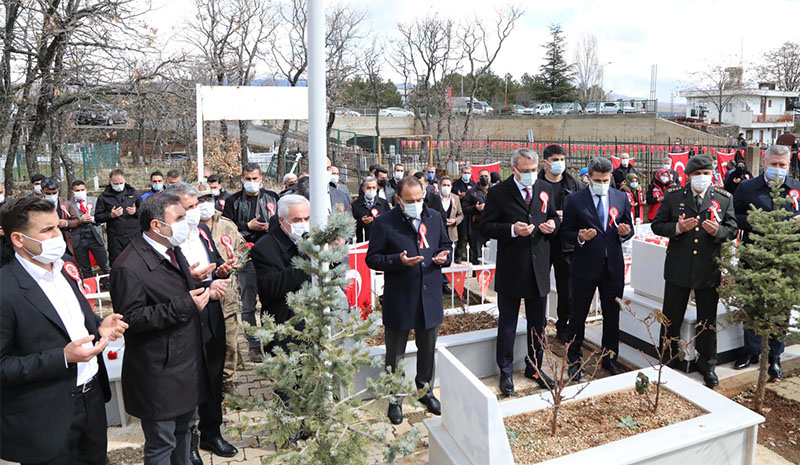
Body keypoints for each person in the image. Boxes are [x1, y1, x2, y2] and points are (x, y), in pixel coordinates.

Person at [1, 196, 127, 465]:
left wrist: (98, 325)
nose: (57, 236)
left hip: (92, 400)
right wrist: (62, 357)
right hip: (45, 416)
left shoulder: (64, 268)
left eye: (58, 227)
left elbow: (73, 321)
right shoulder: (5, 289)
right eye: (47, 230)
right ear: (18, 239)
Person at [110, 193, 228, 465]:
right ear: (156, 225)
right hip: (158, 372)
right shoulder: (128, 266)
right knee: (162, 444)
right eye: (179, 218)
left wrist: (205, 289)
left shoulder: (171, 249)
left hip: (185, 363)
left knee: (185, 432)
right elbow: (131, 319)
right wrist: (185, 304)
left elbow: (173, 291)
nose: (187, 223)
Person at [366, 177, 452, 424]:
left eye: (419, 199)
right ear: (399, 200)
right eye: (410, 201)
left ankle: (425, 390)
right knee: (395, 353)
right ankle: (395, 398)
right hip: (401, 297)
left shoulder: (434, 217)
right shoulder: (384, 223)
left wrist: (444, 256)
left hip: (429, 296)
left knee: (428, 348)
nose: (416, 204)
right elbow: (372, 258)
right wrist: (398, 261)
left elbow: (446, 245)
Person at [163, 183, 237, 462]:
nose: (195, 212)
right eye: (188, 207)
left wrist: (221, 270)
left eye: (196, 205)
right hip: (185, 314)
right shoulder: (169, 240)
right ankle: (189, 441)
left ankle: (212, 432)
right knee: (191, 380)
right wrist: (196, 282)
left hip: (212, 311)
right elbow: (165, 283)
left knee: (214, 374)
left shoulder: (202, 231)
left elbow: (214, 262)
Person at [650, 154, 737, 389]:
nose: (702, 178)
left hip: (708, 268)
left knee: (707, 321)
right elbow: (657, 225)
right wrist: (677, 228)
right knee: (671, 319)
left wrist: (718, 231)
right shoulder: (674, 196)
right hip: (679, 267)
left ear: (712, 174)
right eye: (697, 174)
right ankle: (668, 361)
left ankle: (707, 365)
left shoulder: (723, 198)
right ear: (688, 175)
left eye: (706, 173)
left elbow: (732, 228)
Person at [481, 148, 560, 395]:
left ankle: (534, 366)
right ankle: (505, 370)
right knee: (508, 323)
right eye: (525, 170)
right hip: (512, 267)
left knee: (538, 323)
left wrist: (553, 224)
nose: (530, 174)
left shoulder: (544, 188)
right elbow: (485, 226)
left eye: (534, 170)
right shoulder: (498, 193)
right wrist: (512, 230)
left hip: (539, 266)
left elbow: (553, 215)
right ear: (513, 169)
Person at [561, 157, 633, 380]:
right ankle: (574, 360)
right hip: (585, 266)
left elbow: (629, 227)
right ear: (589, 179)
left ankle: (610, 358)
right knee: (578, 314)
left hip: (613, 266)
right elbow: (565, 232)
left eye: (606, 180)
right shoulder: (575, 200)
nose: (602, 184)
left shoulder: (621, 198)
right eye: (598, 180)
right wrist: (580, 237)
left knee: (612, 315)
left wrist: (625, 233)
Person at [733, 145, 800, 379]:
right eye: (774, 164)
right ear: (765, 163)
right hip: (754, 255)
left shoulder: (797, 189)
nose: (778, 169)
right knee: (752, 305)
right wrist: (748, 221)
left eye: (782, 165)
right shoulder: (747, 188)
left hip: (786, 257)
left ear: (789, 165)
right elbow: (732, 217)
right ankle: (751, 352)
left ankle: (775, 356)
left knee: (781, 308)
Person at [222, 163, 279, 362]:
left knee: (271, 299)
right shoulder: (233, 201)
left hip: (270, 256)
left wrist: (271, 227)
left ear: (261, 179)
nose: (252, 182)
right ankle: (253, 345)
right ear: (242, 179)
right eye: (248, 179)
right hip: (246, 257)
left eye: (255, 178)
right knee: (248, 303)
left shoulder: (272, 197)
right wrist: (247, 226)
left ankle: (271, 342)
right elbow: (227, 229)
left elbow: (282, 222)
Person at [250, 194, 312, 366]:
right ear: (282, 221)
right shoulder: (264, 247)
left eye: (307, 218)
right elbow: (272, 287)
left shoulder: (312, 240)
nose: (303, 224)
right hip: (284, 327)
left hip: (314, 323)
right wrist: (307, 261)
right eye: (297, 219)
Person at [197, 183, 247, 390]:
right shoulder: (188, 229)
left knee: (230, 339)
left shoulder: (226, 224)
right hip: (203, 293)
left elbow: (242, 247)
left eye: (209, 198)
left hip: (228, 292)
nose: (205, 203)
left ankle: (227, 380)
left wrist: (237, 262)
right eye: (200, 200)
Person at [538, 144, 580, 341]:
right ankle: (538, 325)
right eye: (555, 160)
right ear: (545, 162)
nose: (559, 164)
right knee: (539, 288)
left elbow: (584, 212)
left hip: (566, 244)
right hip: (542, 242)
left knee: (567, 290)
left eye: (562, 160)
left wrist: (568, 216)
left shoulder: (573, 185)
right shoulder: (536, 184)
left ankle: (563, 326)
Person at [94, 169, 142, 264]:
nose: (119, 186)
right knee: (117, 263)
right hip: (115, 238)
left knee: (136, 262)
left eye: (121, 183)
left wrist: (136, 211)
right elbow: (98, 217)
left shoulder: (133, 193)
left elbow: (144, 211)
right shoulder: (104, 197)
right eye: (115, 184)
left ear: (124, 180)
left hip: (133, 235)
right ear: (110, 181)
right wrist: (111, 215)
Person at [71, 180, 111, 277]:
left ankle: (112, 282)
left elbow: (102, 216)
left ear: (86, 190)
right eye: (77, 190)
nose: (80, 192)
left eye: (82, 190)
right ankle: (90, 285)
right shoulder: (68, 204)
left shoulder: (95, 201)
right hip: (78, 239)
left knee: (106, 264)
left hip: (95, 236)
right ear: (73, 192)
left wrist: (93, 219)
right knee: (85, 269)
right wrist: (79, 220)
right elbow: (67, 222)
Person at [41, 177, 80, 258]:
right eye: (48, 193)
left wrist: (66, 223)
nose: (51, 195)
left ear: (58, 190)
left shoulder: (66, 203)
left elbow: (76, 220)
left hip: (64, 240)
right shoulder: (36, 205)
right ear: (42, 191)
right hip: (45, 241)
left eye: (54, 193)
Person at [461, 169, 491, 264]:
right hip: (477, 228)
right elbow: (464, 208)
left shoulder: (495, 191)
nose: (484, 178)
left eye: (486, 176)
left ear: (490, 178)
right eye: (481, 176)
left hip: (492, 227)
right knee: (477, 255)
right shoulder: (471, 192)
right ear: (478, 178)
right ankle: (477, 272)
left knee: (491, 254)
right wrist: (476, 208)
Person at [351, 176, 390, 242]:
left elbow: (389, 222)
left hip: (380, 241)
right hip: (362, 241)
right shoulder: (355, 205)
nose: (371, 190)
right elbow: (351, 224)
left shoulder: (384, 204)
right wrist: (361, 221)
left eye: (374, 188)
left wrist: (377, 219)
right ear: (363, 189)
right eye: (368, 188)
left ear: (377, 188)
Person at [452, 166, 476, 263]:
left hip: (471, 212)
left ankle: (472, 256)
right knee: (461, 234)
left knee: (472, 236)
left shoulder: (474, 184)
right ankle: (458, 256)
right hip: (460, 212)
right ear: (461, 173)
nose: (467, 175)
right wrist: (460, 196)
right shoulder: (456, 184)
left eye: (468, 173)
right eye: (465, 173)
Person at [438, 176, 464, 246]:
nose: (446, 187)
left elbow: (461, 215)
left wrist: (455, 220)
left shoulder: (456, 198)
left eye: (448, 185)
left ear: (451, 187)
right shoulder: (435, 198)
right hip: (438, 234)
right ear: (439, 186)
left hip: (452, 234)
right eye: (444, 185)